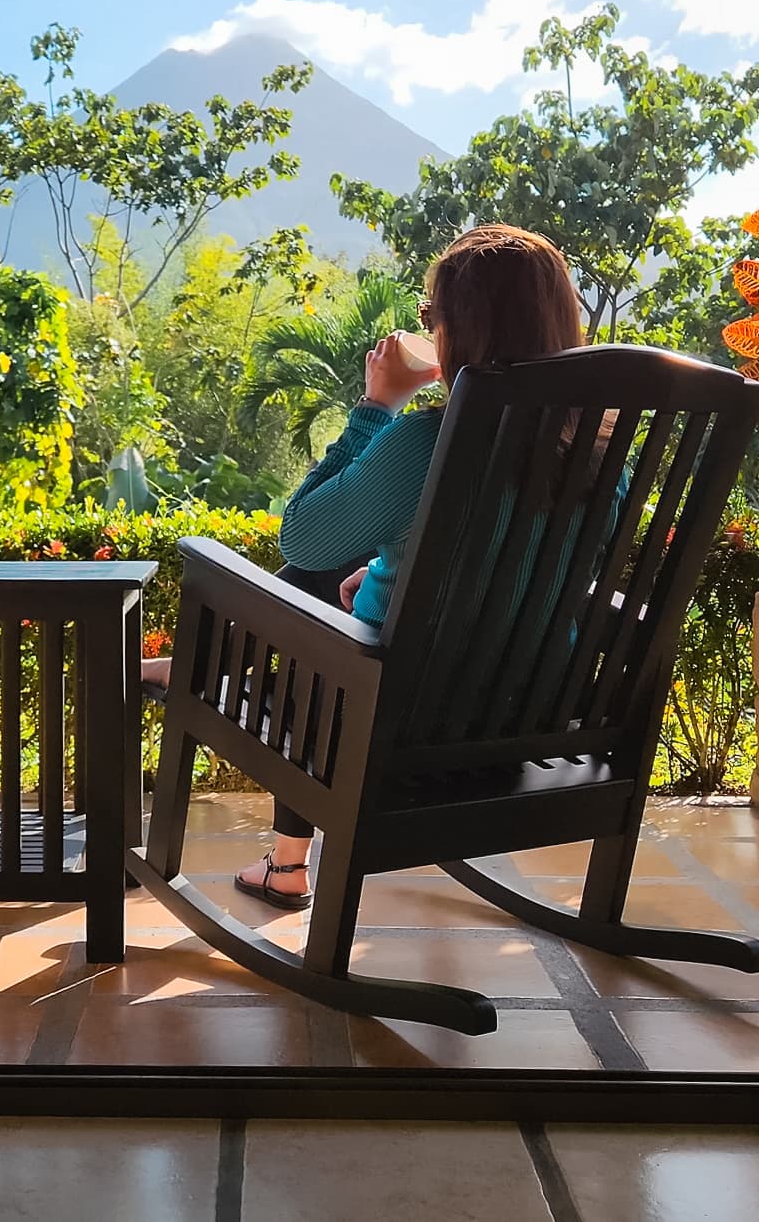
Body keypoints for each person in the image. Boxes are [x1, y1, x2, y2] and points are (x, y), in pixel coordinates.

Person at [145, 223, 613, 909]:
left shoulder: (428, 445)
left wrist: (377, 404)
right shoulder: (606, 456)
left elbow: (304, 536)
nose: (431, 328)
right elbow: (534, 562)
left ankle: (196, 672)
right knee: (333, 582)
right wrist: (404, 572)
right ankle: (282, 861)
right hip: (524, 725)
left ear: (461, 330)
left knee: (307, 603)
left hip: (387, 728)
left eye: (433, 316)